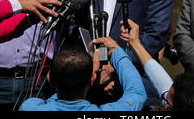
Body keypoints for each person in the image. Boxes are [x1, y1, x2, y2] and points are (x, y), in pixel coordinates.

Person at [19, 37, 147, 111]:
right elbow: (137, 93)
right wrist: (116, 52)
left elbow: (56, 101)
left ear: (50, 79)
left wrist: (75, 78)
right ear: (92, 78)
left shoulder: (30, 107)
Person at [122, 19, 194, 111]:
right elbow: (161, 81)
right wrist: (136, 44)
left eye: (168, 104)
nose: (165, 105)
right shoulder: (180, 102)